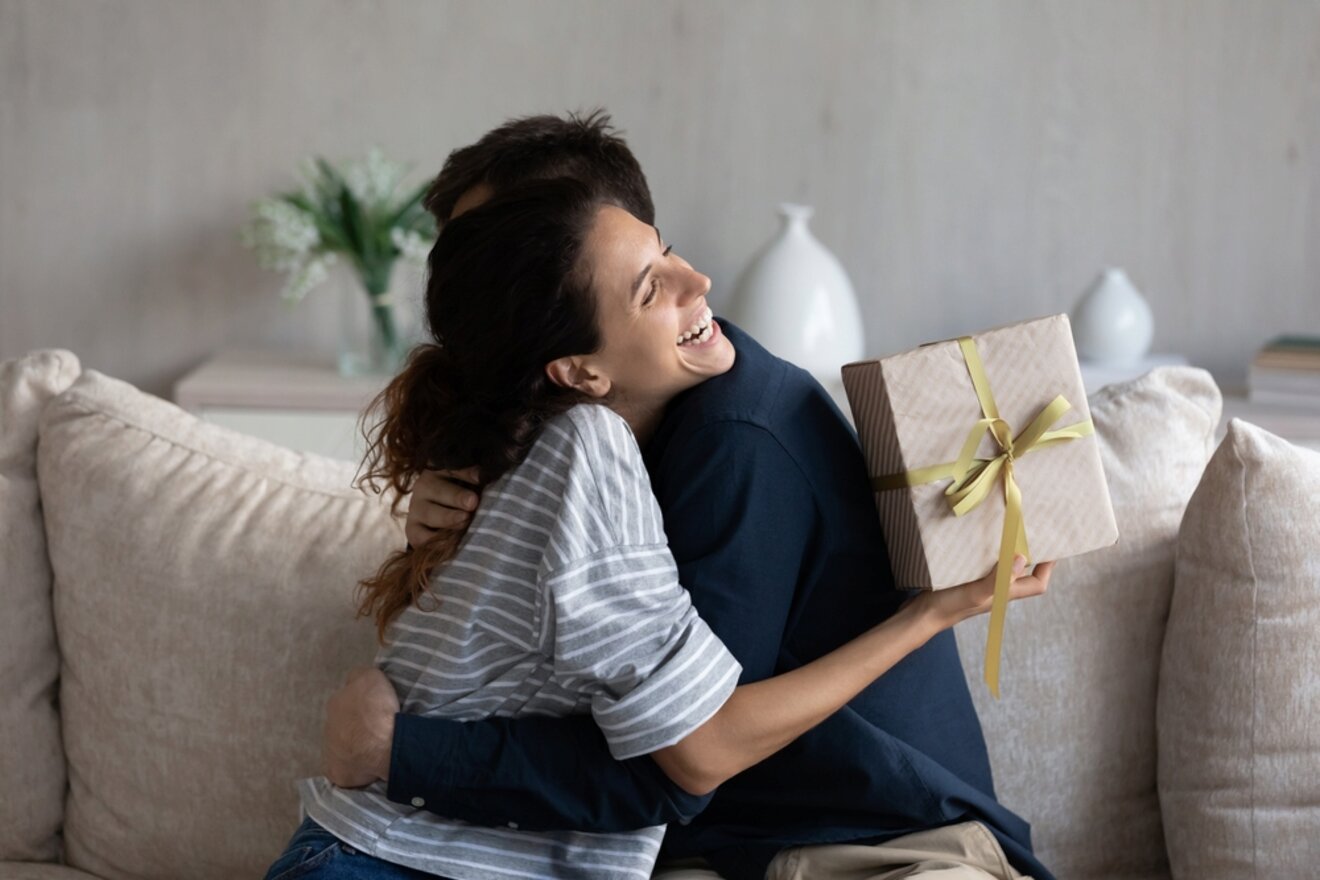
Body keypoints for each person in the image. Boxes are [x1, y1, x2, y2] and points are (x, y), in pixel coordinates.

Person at [321, 112, 1057, 880]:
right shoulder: (576, 440)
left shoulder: (736, 434)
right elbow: (504, 671)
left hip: (887, 844)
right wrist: (436, 536)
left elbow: (687, 758)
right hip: (720, 854)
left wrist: (402, 753)